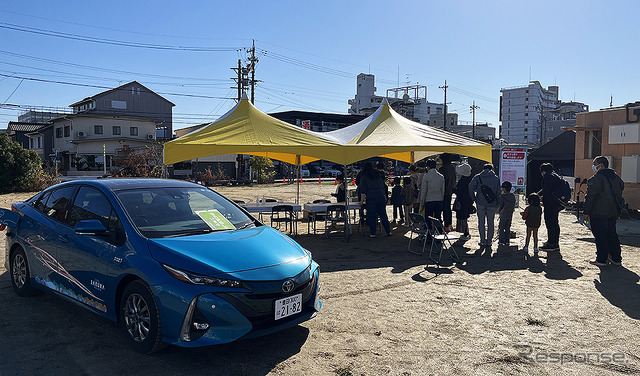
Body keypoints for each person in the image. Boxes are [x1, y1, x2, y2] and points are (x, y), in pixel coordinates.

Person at [583, 156, 625, 266]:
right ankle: (615, 257)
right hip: (613, 211)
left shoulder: (596, 179)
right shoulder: (615, 177)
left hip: (599, 212)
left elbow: (590, 197)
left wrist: (586, 212)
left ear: (600, 165)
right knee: (612, 234)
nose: (593, 166)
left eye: (595, 164)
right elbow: (622, 186)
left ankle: (602, 259)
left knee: (600, 235)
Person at [468, 163, 500, 248]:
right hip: (492, 203)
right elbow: (498, 192)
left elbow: (470, 187)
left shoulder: (478, 177)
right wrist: (498, 203)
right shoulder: (496, 178)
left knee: (481, 222)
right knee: (491, 222)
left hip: (480, 202)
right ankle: (489, 241)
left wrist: (474, 198)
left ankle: (482, 241)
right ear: (492, 169)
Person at [359, 162, 391, 238]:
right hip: (380, 197)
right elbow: (382, 187)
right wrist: (385, 197)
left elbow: (363, 191)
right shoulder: (377, 175)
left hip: (371, 198)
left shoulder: (364, 176)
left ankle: (373, 233)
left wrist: (361, 201)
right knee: (383, 215)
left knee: (372, 216)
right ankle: (388, 231)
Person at [537, 163, 563, 250]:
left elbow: (546, 189)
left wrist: (537, 195)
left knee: (550, 223)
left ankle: (551, 243)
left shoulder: (548, 176)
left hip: (550, 203)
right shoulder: (556, 176)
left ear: (543, 171)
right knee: (555, 223)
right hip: (557, 203)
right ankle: (555, 242)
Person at [453, 163, 474, 240]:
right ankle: (466, 232)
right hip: (468, 200)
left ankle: (466, 233)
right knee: (465, 216)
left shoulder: (463, 180)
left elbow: (459, 191)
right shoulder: (470, 179)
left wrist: (453, 190)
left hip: (462, 201)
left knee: (463, 216)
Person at [439, 153, 456, 232]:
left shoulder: (442, 169)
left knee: (444, 208)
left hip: (443, 191)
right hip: (450, 190)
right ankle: (449, 224)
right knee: (448, 208)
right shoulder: (452, 168)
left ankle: (446, 225)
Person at [497, 181, 516, 246]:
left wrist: (498, 211)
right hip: (510, 214)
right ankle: (507, 240)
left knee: (501, 227)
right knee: (507, 228)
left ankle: (501, 240)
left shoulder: (502, 196)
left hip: (503, 214)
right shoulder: (512, 196)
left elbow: (501, 205)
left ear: (504, 189)